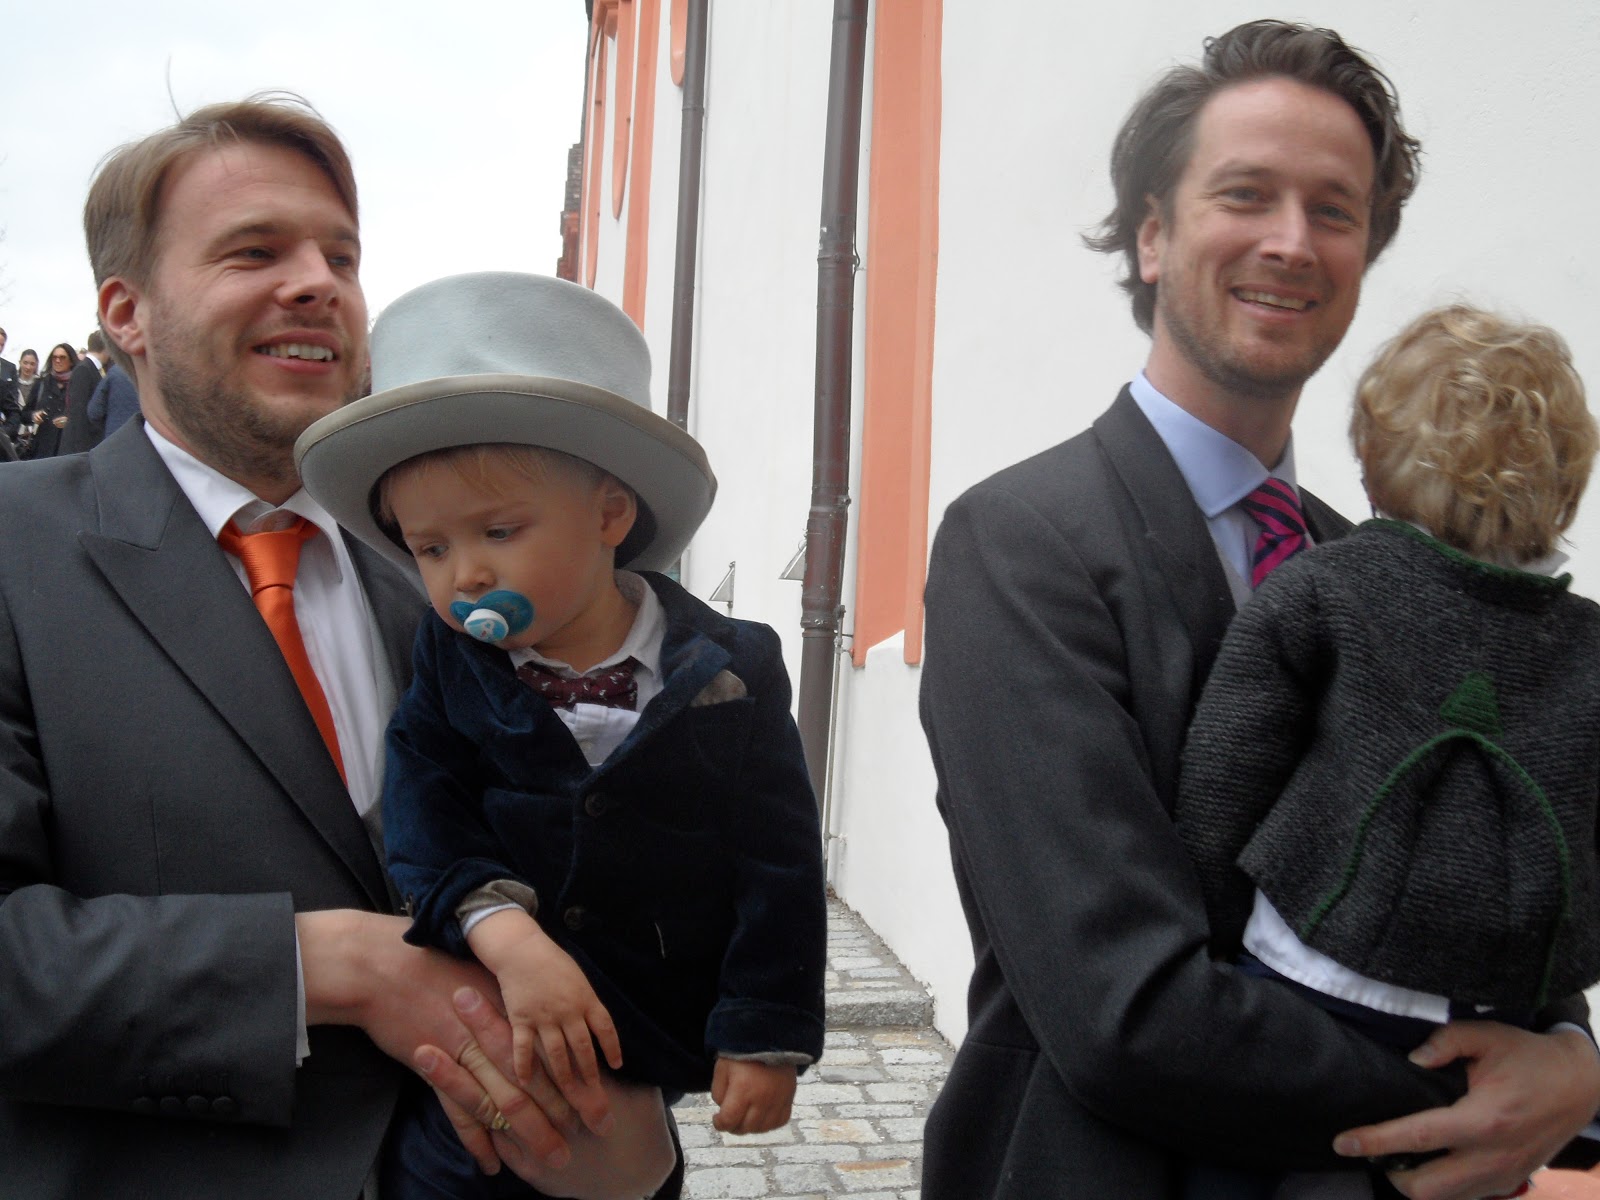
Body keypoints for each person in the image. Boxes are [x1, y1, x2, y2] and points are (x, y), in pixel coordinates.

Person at [918, 20, 1600, 1200]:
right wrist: (1490, 1096)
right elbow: (1122, 1006)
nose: (1291, 241)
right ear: (1151, 235)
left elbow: (1493, 851)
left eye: (1334, 211)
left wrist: (1572, 1058)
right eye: (1245, 195)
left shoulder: (1381, 563)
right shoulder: (1020, 542)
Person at [0, 97, 588, 1199]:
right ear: (126, 312)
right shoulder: (16, 550)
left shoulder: (434, 584)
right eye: (254, 251)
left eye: (342, 256)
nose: (319, 282)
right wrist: (331, 969)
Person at [295, 271, 827, 1200]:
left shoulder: (732, 669)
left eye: (498, 530)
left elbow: (777, 858)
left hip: (648, 1031)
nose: (464, 575)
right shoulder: (450, 661)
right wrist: (503, 933)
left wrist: (764, 1029)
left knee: (630, 1175)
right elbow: (426, 813)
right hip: (495, 1014)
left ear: (610, 514)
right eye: (430, 548)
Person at [1175, 304, 1600, 1198]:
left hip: (1308, 980)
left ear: (1374, 462)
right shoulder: (1588, 644)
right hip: (1495, 1027)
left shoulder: (1325, 586)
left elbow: (1228, 769)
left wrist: (1210, 933)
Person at [57, 328, 111, 454]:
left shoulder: (92, 369)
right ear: (107, 347)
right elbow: (78, 412)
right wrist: (83, 451)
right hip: (79, 448)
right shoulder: (84, 370)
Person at [23, 342, 75, 458]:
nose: (57, 361)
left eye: (62, 357)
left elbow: (83, 415)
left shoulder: (77, 385)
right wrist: (33, 416)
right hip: (41, 448)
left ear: (71, 361)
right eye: (54, 357)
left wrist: (69, 421)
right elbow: (24, 414)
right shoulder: (41, 383)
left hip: (65, 448)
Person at [86, 359, 140, 438]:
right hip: (147, 437)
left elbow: (94, 412)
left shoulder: (115, 372)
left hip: (115, 434)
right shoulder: (153, 373)